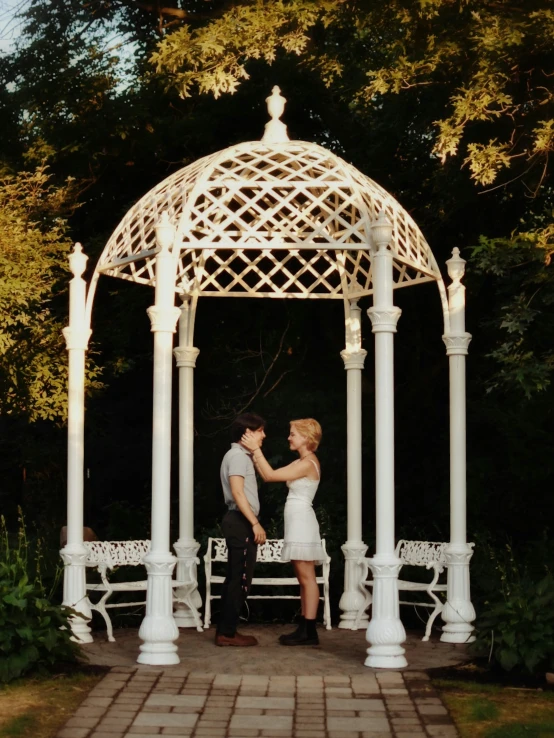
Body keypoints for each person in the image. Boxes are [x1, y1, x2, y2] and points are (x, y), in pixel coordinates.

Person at [242, 418, 325, 646]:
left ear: (306, 438)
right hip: (297, 522)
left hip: (302, 522)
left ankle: (309, 631)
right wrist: (252, 452)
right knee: (303, 577)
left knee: (307, 577)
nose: (289, 438)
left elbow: (269, 476)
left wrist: (256, 449)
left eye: (293, 434)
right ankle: (305, 628)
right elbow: (269, 473)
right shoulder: (302, 461)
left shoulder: (308, 463)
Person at [215, 412, 268, 647]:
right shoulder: (238, 457)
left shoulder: (240, 456)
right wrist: (255, 523)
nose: (264, 435)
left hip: (239, 520)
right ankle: (227, 633)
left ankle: (226, 630)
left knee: (236, 578)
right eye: (260, 431)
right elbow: (237, 492)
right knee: (240, 579)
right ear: (247, 433)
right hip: (240, 521)